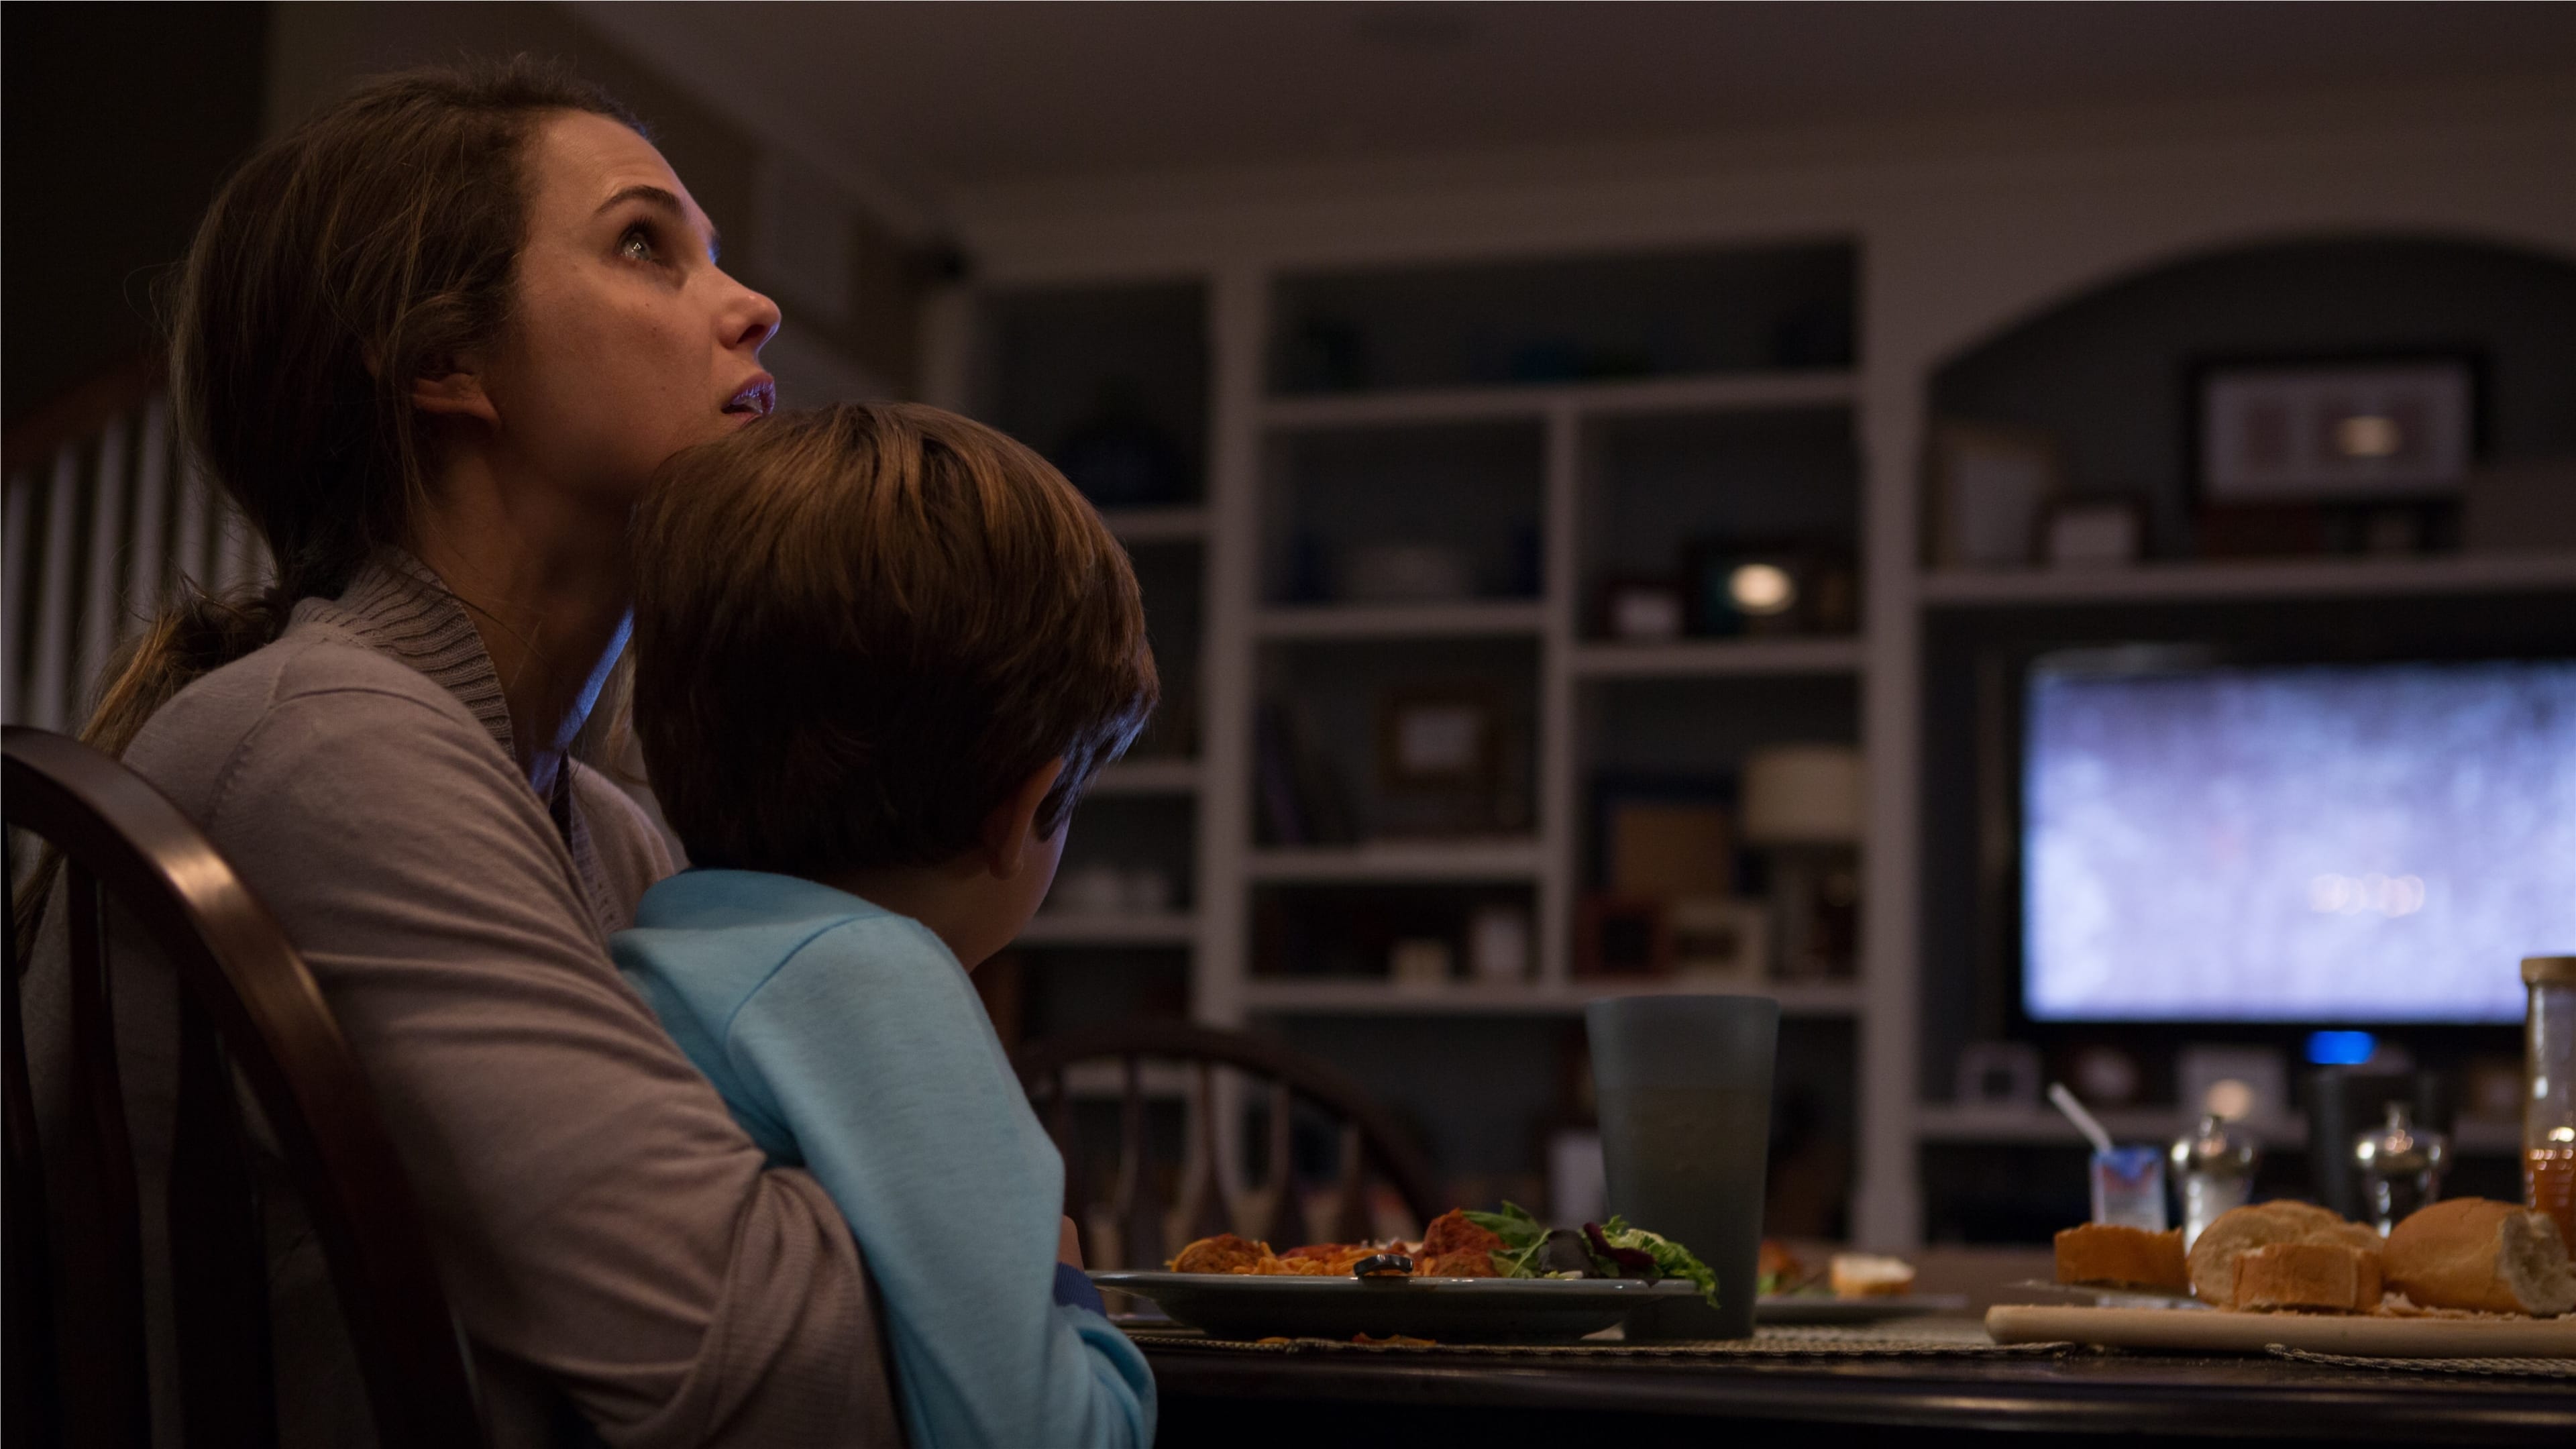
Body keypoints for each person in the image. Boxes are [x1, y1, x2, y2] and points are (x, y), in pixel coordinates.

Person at [17, 60, 904, 1446]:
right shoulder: (327, 750)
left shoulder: (605, 826)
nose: (755, 307)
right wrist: (998, 1255)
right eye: (644, 244)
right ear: (443, 363)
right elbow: (768, 1375)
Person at [612, 402, 1160, 1449]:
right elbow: (1036, 1434)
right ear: (1023, 810)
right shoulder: (877, 979)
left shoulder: (655, 956)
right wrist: (1069, 1296)